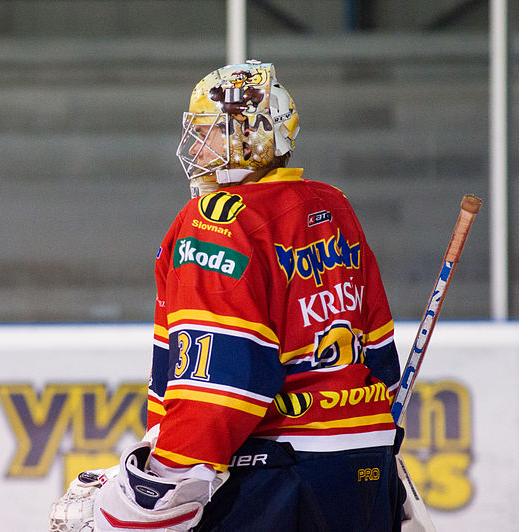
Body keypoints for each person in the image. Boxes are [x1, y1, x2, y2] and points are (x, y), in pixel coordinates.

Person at [51, 61, 405, 532]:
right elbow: (378, 350)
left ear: (252, 136)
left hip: (278, 475)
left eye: (209, 132)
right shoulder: (331, 203)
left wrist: (163, 482)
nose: (196, 147)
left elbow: (221, 386)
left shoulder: (218, 222)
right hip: (367, 464)